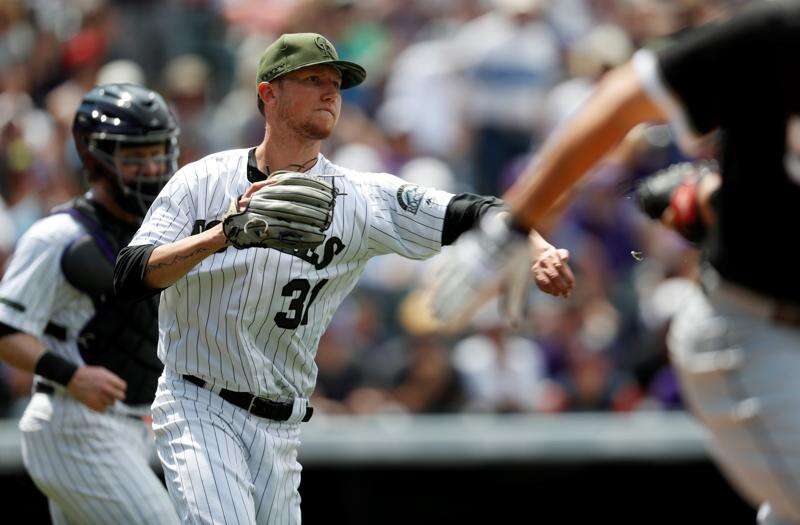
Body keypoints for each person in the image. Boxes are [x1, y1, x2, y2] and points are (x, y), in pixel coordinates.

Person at [112, 32, 573, 524]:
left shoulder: (361, 199)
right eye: (312, 80)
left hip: (282, 426)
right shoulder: (203, 180)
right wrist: (220, 237)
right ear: (268, 93)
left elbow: (471, 211)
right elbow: (130, 275)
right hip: (197, 402)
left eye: (336, 83)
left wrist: (537, 246)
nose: (331, 93)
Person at [433, 1, 800, 523]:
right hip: (755, 329)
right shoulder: (781, 35)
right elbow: (624, 99)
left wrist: (711, 197)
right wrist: (515, 225)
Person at [0, 83, 180, 524]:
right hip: (74, 423)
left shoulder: (160, 231)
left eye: (158, 152)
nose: (152, 167)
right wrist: (73, 375)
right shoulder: (57, 235)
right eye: (134, 157)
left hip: (128, 427)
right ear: (96, 158)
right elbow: (4, 329)